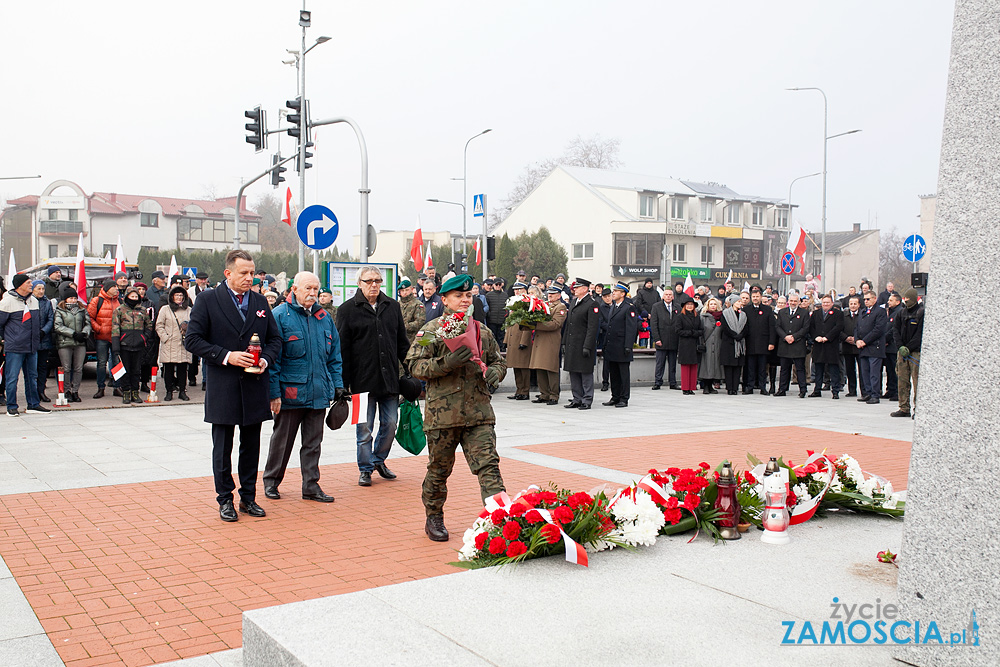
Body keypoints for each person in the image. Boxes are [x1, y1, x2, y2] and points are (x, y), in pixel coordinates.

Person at [406, 274, 506, 542]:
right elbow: (415, 366)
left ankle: (500, 518)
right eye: (458, 296)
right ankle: (434, 517)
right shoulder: (430, 332)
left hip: (478, 414)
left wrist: (496, 373)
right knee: (439, 469)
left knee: (489, 467)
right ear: (444, 299)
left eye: (468, 296)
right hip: (443, 416)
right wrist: (446, 362)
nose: (464, 300)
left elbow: (498, 361)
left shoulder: (482, 331)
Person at [185, 249, 281, 522]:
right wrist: (227, 356)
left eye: (252, 273)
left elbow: (275, 340)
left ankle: (248, 498)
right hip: (224, 385)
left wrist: (264, 360)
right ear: (228, 273)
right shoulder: (207, 300)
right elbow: (192, 340)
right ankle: (225, 499)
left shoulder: (261, 301)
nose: (250, 278)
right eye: (244, 273)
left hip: (254, 385)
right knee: (223, 447)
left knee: (251, 446)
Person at [264, 271, 345, 503]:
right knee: (282, 442)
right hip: (290, 393)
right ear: (294, 289)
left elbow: (334, 357)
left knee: (313, 444)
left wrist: (338, 386)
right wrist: (274, 393)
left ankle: (311, 486)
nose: (312, 293)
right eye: (307, 288)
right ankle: (271, 482)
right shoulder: (279, 316)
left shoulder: (324, 318)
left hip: (319, 392)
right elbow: (273, 361)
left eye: (315, 289)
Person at [336, 266, 410, 487]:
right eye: (369, 281)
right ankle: (365, 469)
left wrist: (411, 370)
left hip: (389, 381)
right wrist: (342, 383)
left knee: (390, 424)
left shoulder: (392, 306)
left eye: (378, 281)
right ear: (359, 283)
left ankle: (378, 460)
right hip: (360, 382)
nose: (374, 285)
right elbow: (342, 348)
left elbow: (402, 343)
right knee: (364, 428)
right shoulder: (347, 309)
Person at [0, 274, 49, 415]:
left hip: (32, 346)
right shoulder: (7, 302)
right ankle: (11, 406)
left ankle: (33, 404)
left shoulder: (33, 300)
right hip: (15, 347)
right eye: (28, 283)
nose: (31, 285)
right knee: (12, 378)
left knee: (32, 377)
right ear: (20, 285)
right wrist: (6, 338)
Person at [562, 279, 600, 409]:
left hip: (583, 344)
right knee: (574, 372)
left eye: (578, 287)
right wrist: (564, 342)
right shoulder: (574, 302)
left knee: (585, 372)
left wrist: (587, 346)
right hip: (572, 343)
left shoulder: (592, 304)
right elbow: (569, 324)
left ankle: (587, 399)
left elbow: (592, 328)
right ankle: (577, 398)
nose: (575, 289)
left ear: (585, 289)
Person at [112, 285, 152, 404]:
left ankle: (135, 392)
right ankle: (126, 392)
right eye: (132, 296)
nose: (134, 298)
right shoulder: (119, 310)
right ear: (127, 297)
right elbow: (115, 328)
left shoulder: (143, 310)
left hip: (139, 345)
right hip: (124, 344)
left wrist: (144, 338)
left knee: (136, 370)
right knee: (126, 370)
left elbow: (149, 326)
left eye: (136, 296)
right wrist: (116, 347)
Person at [528, 286, 568, 405]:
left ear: (559, 295)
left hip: (551, 340)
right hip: (541, 340)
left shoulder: (561, 307)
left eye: (553, 293)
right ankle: (544, 394)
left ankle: (553, 395)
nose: (550, 295)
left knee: (551, 368)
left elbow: (555, 324)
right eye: (549, 293)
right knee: (540, 367)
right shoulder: (544, 304)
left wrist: (536, 325)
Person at [601, 282, 638, 408]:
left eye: (616, 291)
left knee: (623, 374)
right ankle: (615, 396)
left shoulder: (629, 307)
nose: (613, 293)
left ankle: (624, 398)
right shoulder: (614, 306)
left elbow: (631, 328)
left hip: (622, 346)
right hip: (612, 346)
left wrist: (628, 346)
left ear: (623, 294)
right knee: (614, 373)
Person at [53, 284, 90, 402]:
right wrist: (73, 333)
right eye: (71, 298)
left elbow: (88, 323)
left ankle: (75, 391)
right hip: (65, 343)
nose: (73, 300)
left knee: (79, 368)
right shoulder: (60, 310)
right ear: (65, 299)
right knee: (66, 368)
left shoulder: (82, 310)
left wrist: (84, 333)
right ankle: (66, 390)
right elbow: (58, 326)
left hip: (80, 343)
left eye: (75, 298)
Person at [155, 285, 193, 401]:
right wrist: (165, 338)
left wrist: (188, 330)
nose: (179, 297)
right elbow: (159, 325)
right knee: (168, 370)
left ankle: (182, 391)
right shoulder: (165, 309)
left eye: (181, 295)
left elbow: (195, 325)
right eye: (176, 295)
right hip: (169, 344)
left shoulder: (189, 310)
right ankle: (169, 391)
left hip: (183, 344)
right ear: (172, 296)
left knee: (182, 370)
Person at [87, 279, 122, 398]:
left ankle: (117, 387)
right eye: (114, 287)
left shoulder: (119, 301)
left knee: (117, 363)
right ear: (107, 289)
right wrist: (99, 329)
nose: (116, 289)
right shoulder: (97, 300)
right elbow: (89, 317)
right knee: (102, 363)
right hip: (101, 337)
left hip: (116, 338)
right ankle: (100, 387)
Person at [892, 288, 923, 418]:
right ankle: (904, 407)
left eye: (909, 300)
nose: (907, 302)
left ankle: (918, 409)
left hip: (915, 352)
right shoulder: (901, 313)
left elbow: (919, 335)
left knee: (917, 382)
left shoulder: (921, 313)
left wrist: (909, 348)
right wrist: (900, 347)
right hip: (902, 352)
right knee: (902, 380)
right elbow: (896, 331)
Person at [808, 295, 844, 399]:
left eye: (828, 302)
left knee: (833, 369)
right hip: (818, 345)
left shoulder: (838, 313)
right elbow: (811, 327)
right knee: (818, 368)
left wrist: (827, 337)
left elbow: (839, 327)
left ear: (832, 303)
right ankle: (817, 390)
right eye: (824, 302)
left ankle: (835, 391)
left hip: (831, 344)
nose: (826, 304)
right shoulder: (816, 313)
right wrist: (816, 337)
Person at [855, 291, 888, 404]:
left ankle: (875, 394)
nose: (866, 301)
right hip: (863, 347)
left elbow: (878, 329)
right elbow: (857, 327)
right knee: (864, 372)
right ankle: (868, 393)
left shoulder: (880, 311)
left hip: (874, 347)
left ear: (874, 299)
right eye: (864, 299)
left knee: (874, 373)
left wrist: (865, 341)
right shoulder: (863, 311)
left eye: (868, 299)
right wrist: (857, 340)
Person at [775, 293, 810, 397]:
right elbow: (777, 327)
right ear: (788, 302)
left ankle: (803, 390)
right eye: (791, 301)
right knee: (784, 369)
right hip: (785, 344)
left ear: (798, 302)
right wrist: (785, 337)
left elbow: (805, 328)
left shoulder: (804, 313)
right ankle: (782, 389)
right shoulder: (782, 312)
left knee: (800, 368)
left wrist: (794, 337)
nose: (793, 303)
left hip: (798, 344)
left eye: (795, 301)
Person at [504, 282, 533, 401]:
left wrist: (524, 341)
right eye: (515, 289)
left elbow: (528, 324)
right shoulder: (512, 302)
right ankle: (519, 390)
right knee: (516, 366)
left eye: (519, 289)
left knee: (523, 367)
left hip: (521, 338)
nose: (517, 292)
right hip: (513, 338)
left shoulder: (527, 303)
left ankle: (525, 391)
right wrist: (506, 339)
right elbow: (509, 322)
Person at [744, 286, 776, 394]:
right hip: (750, 343)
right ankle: (750, 386)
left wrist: (771, 342)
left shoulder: (767, 310)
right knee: (750, 367)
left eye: (757, 296)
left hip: (763, 343)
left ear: (761, 297)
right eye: (753, 296)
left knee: (763, 368)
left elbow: (772, 327)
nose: (755, 298)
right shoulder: (746, 310)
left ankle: (763, 387)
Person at [649, 289, 680, 390]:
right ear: (663, 296)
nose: (668, 296)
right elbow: (653, 324)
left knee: (672, 364)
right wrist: (657, 338)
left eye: (670, 295)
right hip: (661, 339)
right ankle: (658, 382)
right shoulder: (656, 307)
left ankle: (673, 382)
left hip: (673, 339)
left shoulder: (677, 307)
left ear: (673, 296)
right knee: (660, 363)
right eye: (666, 294)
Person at [31, 280, 55, 402]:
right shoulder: (28, 301)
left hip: (44, 339)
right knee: (31, 368)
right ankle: (32, 392)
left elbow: (51, 319)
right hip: (31, 340)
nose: (41, 291)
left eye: (42, 289)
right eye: (38, 289)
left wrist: (44, 331)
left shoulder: (47, 303)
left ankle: (41, 391)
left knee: (42, 367)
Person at [674, 297, 703, 395]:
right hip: (685, 344)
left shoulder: (697, 316)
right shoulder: (680, 317)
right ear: (685, 306)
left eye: (691, 304)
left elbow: (701, 330)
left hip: (694, 344)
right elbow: (678, 330)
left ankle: (692, 387)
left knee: (694, 366)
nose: (690, 306)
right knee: (685, 367)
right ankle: (685, 387)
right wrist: (690, 333)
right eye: (688, 304)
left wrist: (695, 333)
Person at [719, 295, 747, 395]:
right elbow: (725, 328)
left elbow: (745, 327)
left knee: (737, 367)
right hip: (729, 343)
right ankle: (729, 388)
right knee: (729, 367)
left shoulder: (743, 314)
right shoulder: (725, 313)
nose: (740, 303)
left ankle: (735, 387)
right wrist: (734, 335)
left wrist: (741, 335)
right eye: (738, 301)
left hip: (740, 344)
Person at [698, 298, 724, 394]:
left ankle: (711, 385)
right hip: (706, 344)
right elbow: (701, 330)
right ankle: (705, 386)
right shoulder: (703, 317)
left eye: (714, 304)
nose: (713, 306)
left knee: (714, 365)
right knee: (706, 365)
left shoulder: (721, 317)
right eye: (711, 304)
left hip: (717, 344)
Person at [840, 294, 863, 397]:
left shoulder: (862, 315)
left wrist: (857, 338)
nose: (853, 306)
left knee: (862, 370)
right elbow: (839, 329)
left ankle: (864, 391)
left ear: (859, 305)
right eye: (851, 304)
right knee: (849, 369)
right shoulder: (843, 315)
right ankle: (852, 390)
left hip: (859, 346)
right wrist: (846, 338)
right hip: (847, 346)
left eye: (855, 304)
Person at [881, 292, 902, 401]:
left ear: (897, 302)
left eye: (891, 300)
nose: (888, 302)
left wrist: (884, 339)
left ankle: (896, 392)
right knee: (889, 370)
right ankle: (890, 389)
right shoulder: (890, 312)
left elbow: (894, 329)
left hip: (893, 345)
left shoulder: (899, 312)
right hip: (887, 347)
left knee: (895, 371)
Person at [484, 277, 507, 346]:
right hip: (492, 321)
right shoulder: (488, 295)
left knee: (501, 337)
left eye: (499, 284)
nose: (498, 286)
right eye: (496, 284)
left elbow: (507, 307)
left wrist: (506, 316)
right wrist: (489, 315)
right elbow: (487, 307)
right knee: (492, 337)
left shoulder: (505, 295)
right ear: (493, 285)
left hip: (502, 320)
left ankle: (501, 351)